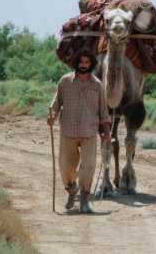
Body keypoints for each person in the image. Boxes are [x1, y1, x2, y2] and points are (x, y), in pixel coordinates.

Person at [47, 48, 111, 214]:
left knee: (88, 167)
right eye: (81, 62)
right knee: (66, 168)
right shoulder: (65, 81)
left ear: (91, 64)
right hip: (68, 130)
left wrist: (107, 135)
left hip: (89, 132)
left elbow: (104, 113)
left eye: (87, 62)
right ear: (76, 63)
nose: (83, 65)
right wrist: (52, 114)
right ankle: (71, 190)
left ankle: (84, 199)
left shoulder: (97, 86)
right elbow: (56, 102)